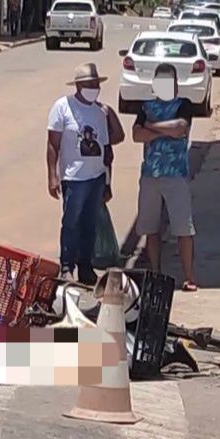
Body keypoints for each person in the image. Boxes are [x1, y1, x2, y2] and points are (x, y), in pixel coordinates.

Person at [47, 63, 124, 285]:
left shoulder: (100, 112)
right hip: (74, 178)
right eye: (90, 84)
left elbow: (108, 149)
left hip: (96, 177)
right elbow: (53, 145)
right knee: (71, 223)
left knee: (90, 225)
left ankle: (86, 268)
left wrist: (108, 182)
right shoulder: (63, 107)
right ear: (79, 86)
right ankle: (67, 266)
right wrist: (52, 176)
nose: (94, 88)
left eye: (96, 84)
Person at [132, 64, 198, 292]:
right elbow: (136, 135)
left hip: (176, 174)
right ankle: (156, 272)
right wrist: (163, 130)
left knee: (183, 228)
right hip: (150, 174)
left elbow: (180, 128)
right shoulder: (145, 106)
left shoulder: (183, 105)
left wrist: (151, 127)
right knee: (151, 228)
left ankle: (189, 277)